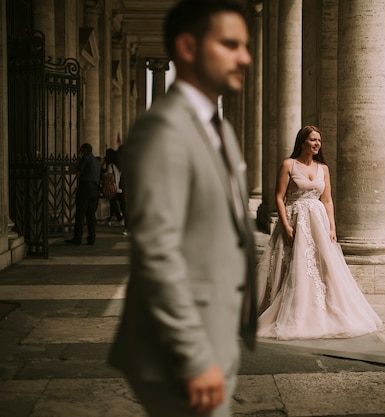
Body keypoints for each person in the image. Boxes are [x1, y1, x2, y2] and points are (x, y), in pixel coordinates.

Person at [108, 1, 256, 416]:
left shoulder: (218, 127)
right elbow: (156, 252)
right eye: (230, 44)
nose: (244, 57)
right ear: (188, 47)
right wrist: (193, 355)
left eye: (244, 45)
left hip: (215, 334)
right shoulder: (164, 132)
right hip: (181, 351)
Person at [256, 126, 382, 340]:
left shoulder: (323, 168)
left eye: (319, 141)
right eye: (313, 140)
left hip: (318, 221)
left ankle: (322, 310)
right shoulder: (289, 164)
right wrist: (285, 225)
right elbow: (279, 197)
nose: (317, 144)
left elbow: (328, 200)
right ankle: (290, 309)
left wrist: (332, 228)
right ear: (302, 142)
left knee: (322, 264)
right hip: (295, 218)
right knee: (292, 264)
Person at [65, 143, 101, 245]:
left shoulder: (86, 158)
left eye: (80, 149)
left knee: (80, 213)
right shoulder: (97, 161)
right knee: (91, 215)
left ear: (84, 150)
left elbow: (77, 170)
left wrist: (79, 159)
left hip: (85, 187)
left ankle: (77, 238)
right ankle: (91, 238)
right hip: (94, 189)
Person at [103, 148, 125, 226]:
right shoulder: (122, 164)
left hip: (113, 187)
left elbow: (109, 176)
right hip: (121, 187)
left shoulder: (111, 166)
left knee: (113, 203)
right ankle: (122, 219)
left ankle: (119, 218)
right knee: (122, 204)